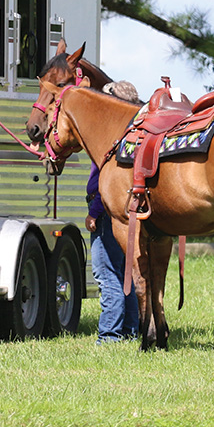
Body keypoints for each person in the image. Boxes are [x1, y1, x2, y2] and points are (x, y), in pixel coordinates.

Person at [87, 79, 141, 343]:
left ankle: (109, 335)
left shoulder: (112, 139)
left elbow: (104, 182)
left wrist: (94, 211)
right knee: (124, 274)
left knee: (106, 274)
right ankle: (131, 330)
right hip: (127, 210)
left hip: (107, 210)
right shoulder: (134, 136)